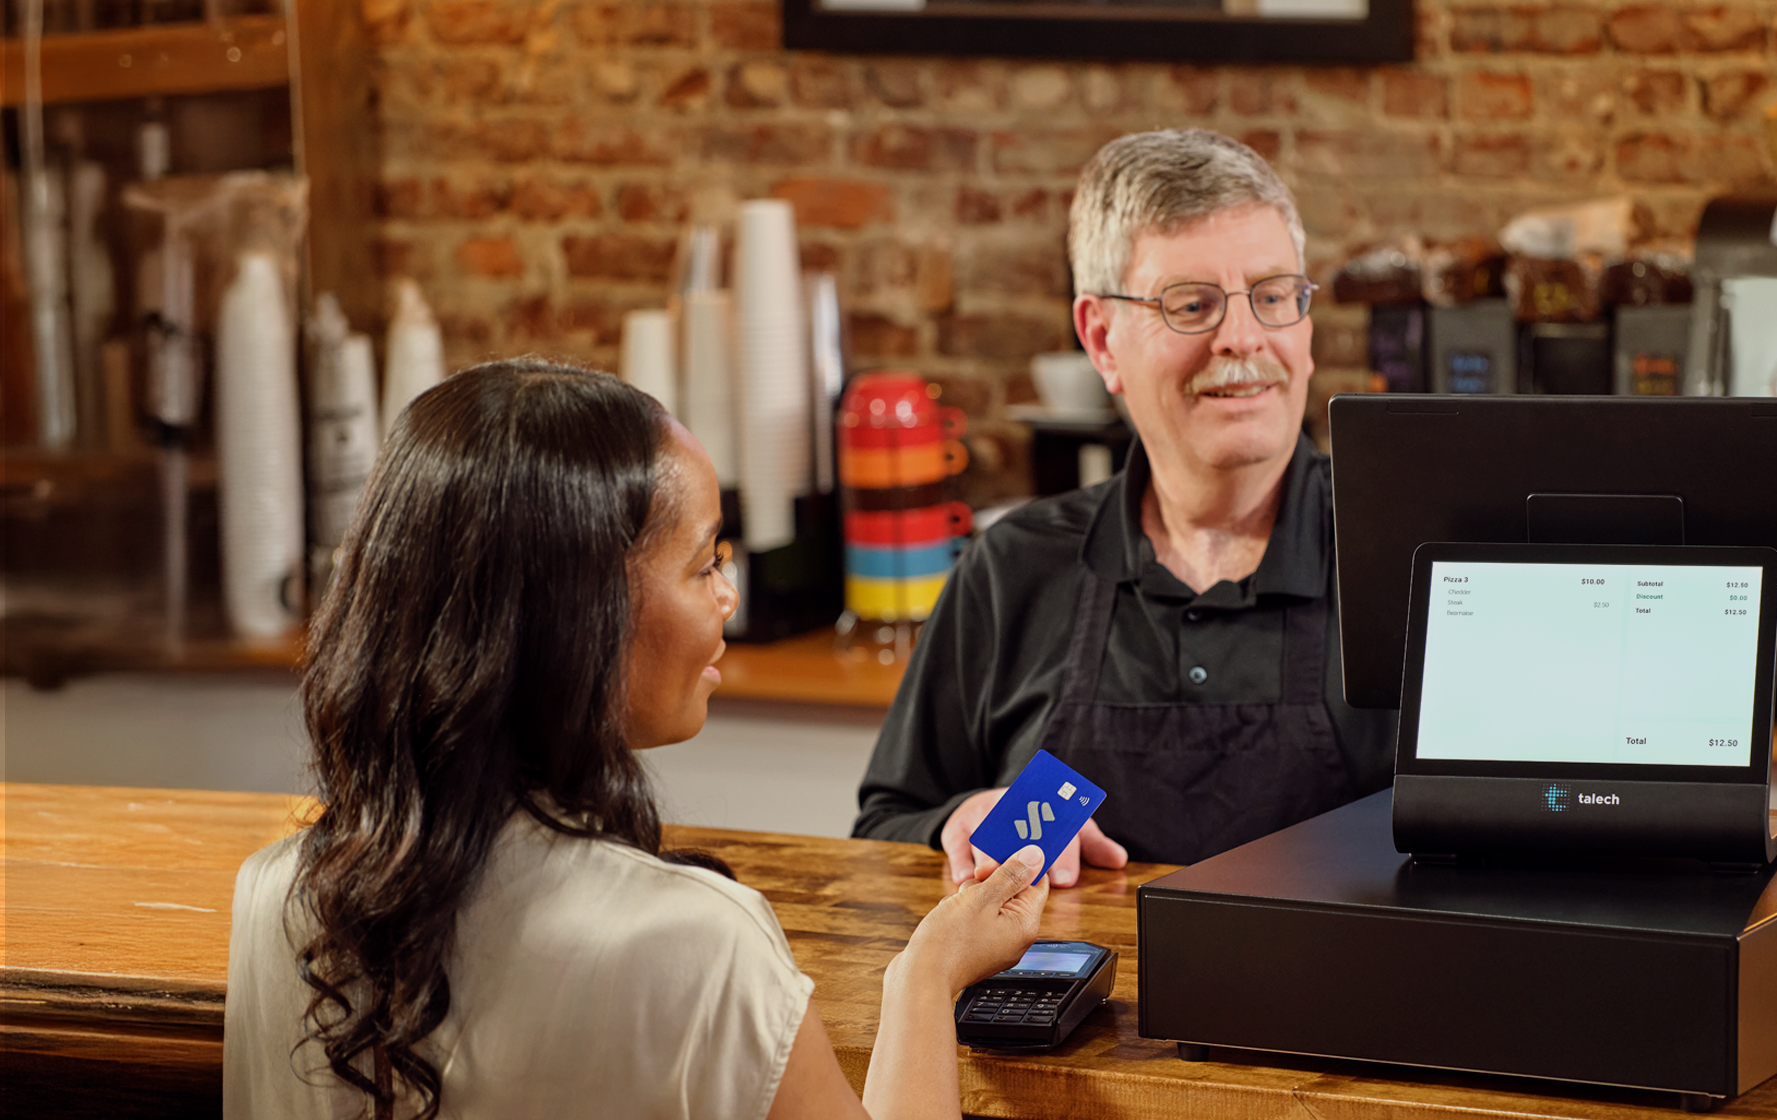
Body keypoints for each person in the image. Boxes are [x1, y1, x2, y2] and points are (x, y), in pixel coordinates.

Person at [224, 361, 1049, 1120]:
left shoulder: (274, 897)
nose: (727, 597)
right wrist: (928, 973)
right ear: (580, 618)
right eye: (704, 564)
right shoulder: (697, 942)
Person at [853, 130, 1397, 884]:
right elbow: (884, 835)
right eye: (1191, 305)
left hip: (1347, 999)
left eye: (1273, 296)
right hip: (1075, 1002)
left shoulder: (1410, 558)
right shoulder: (1015, 570)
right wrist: (963, 820)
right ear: (1101, 339)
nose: (1242, 338)